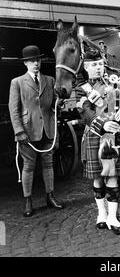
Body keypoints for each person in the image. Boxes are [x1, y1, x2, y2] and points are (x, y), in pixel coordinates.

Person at [75, 52, 120, 235]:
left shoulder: (113, 81)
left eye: (100, 64)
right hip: (94, 135)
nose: (98, 67)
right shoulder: (81, 88)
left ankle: (113, 218)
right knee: (98, 177)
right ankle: (102, 214)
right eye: (94, 65)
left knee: (113, 176)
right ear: (86, 67)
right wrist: (102, 124)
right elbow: (85, 112)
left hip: (114, 135)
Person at [8, 45, 64, 217]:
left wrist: (59, 104)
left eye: (38, 60)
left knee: (48, 164)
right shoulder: (17, 82)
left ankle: (50, 196)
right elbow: (14, 109)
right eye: (32, 61)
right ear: (25, 63)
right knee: (29, 166)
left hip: (48, 129)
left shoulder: (50, 80)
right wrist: (19, 132)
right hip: (28, 131)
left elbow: (55, 104)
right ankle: (28, 201)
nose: (36, 64)